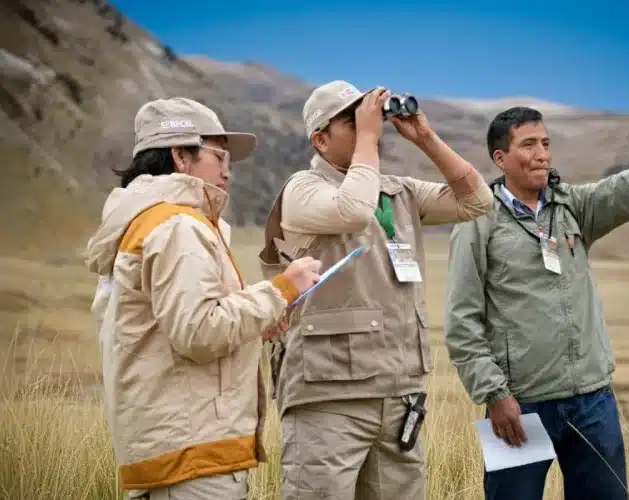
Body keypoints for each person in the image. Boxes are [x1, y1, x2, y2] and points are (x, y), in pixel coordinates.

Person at [443, 106, 629, 500]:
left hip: (592, 402)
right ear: (500, 158)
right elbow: (461, 321)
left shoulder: (572, 207)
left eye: (546, 143)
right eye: (529, 144)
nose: (542, 154)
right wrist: (495, 395)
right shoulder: (477, 221)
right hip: (521, 405)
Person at [257, 80, 494, 499]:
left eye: (369, 118)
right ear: (320, 139)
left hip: (399, 393)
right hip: (329, 397)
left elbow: (477, 201)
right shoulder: (303, 190)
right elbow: (352, 210)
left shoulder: (398, 193)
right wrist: (369, 137)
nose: (371, 127)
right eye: (352, 121)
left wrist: (425, 138)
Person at [85, 97, 322, 500]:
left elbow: (167, 332)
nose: (228, 170)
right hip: (194, 456)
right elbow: (198, 332)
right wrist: (280, 290)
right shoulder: (178, 225)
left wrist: (256, 324)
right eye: (218, 155)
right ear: (180, 155)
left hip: (166, 447)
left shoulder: (146, 221)